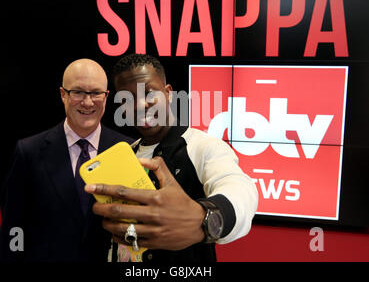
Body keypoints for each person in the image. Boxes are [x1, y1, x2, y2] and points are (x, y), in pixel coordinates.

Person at [85, 54, 259, 262]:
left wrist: (204, 219)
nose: (140, 106)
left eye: (149, 94)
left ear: (168, 93)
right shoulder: (126, 154)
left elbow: (241, 191)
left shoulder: (202, 146)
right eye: (127, 99)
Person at [0, 58, 133, 262]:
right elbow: (13, 228)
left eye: (96, 93)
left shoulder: (128, 150)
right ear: (63, 94)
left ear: (106, 97)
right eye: (78, 92)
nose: (88, 102)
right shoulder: (29, 152)